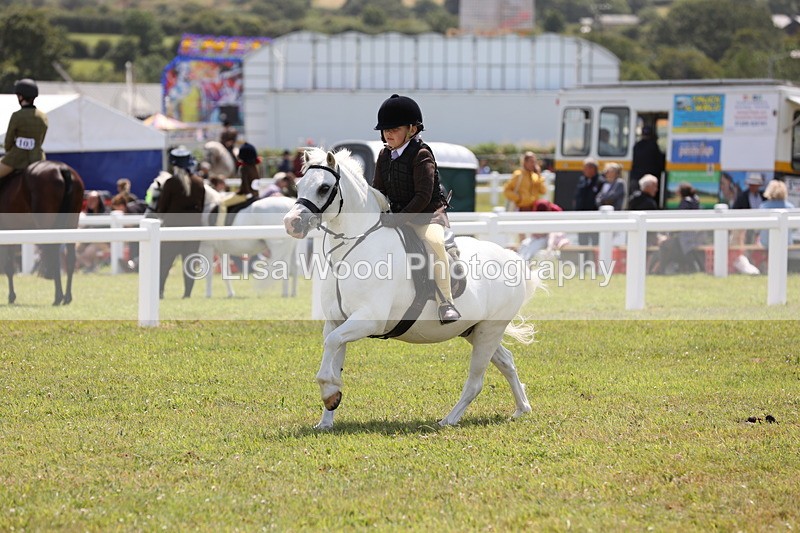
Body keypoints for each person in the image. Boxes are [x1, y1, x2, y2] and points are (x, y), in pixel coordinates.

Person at [372, 94, 460, 324]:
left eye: (394, 128)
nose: (388, 133)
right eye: (385, 129)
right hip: (397, 216)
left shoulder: (421, 155)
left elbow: (423, 196)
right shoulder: (383, 155)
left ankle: (446, 302)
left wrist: (399, 219)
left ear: (411, 129)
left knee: (434, 243)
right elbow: (378, 190)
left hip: (427, 216)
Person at [157, 147, 205, 299]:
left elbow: (162, 208)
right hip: (194, 228)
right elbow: (201, 207)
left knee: (165, 262)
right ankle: (187, 294)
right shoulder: (199, 182)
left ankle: (160, 291)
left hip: (173, 228)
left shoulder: (171, 183)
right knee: (190, 262)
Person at [0, 79, 48, 183]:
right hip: (37, 158)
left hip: (16, 158)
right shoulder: (43, 116)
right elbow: (41, 140)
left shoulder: (17, 116)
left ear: (20, 97)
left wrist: (9, 150)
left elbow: (8, 140)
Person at [650, 182, 703, 274]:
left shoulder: (685, 202)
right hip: (692, 237)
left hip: (685, 238)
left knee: (664, 246)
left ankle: (659, 271)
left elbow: (680, 222)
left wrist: (669, 235)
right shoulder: (694, 201)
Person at [216, 142, 258, 225]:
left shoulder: (244, 168)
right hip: (255, 194)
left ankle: (219, 226)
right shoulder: (255, 167)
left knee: (222, 203)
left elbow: (245, 186)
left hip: (245, 196)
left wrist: (237, 192)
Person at [759, 180, 795, 249]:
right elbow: (794, 228)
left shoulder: (763, 206)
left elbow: (758, 228)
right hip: (786, 244)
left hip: (766, 244)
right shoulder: (790, 207)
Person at [573, 157, 602, 245]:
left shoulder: (600, 181)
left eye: (587, 168)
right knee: (582, 241)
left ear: (593, 169)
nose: (584, 170)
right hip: (581, 216)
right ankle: (584, 258)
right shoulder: (582, 180)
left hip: (594, 216)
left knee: (595, 241)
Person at [732, 173, 766, 246]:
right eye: (751, 184)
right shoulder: (742, 196)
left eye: (755, 185)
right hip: (747, 227)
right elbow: (735, 210)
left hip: (761, 226)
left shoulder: (763, 196)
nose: (753, 187)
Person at [630, 125, 664, 193]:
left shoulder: (637, 146)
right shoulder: (654, 146)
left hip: (636, 176)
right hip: (651, 176)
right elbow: (660, 161)